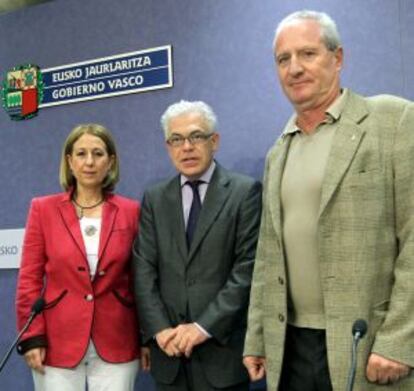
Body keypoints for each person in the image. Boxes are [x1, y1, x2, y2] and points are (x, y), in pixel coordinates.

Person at [243, 10, 413, 391]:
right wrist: (258, 336)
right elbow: (268, 255)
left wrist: (400, 340)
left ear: (338, 59)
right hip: (292, 348)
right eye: (283, 59)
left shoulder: (392, 121)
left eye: (308, 54)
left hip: (368, 343)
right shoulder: (279, 150)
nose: (295, 68)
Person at [133, 100, 262, 391]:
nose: (186, 147)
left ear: (214, 141)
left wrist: (203, 327)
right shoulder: (155, 199)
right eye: (176, 140)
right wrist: (160, 330)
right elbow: (143, 270)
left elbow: (247, 270)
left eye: (196, 136)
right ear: (168, 147)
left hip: (222, 356)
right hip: (169, 356)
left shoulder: (244, 192)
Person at [16, 123, 149, 391]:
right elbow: (29, 280)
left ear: (110, 161)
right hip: (56, 341)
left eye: (98, 154)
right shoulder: (43, 209)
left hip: (117, 338)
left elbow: (141, 281)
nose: (89, 162)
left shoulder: (130, 211)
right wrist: (32, 337)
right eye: (81, 154)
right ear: (69, 161)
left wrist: (146, 337)